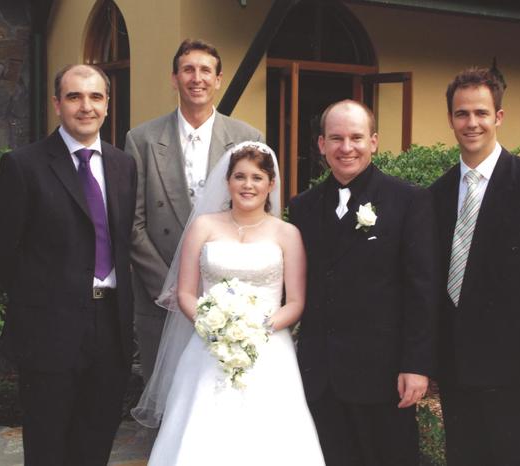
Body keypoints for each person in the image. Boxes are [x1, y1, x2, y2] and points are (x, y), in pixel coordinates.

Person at [132, 141, 325, 465]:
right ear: (227, 181)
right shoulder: (204, 226)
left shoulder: (287, 233)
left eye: (257, 178)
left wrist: (257, 329)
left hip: (268, 349)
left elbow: (295, 302)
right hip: (209, 346)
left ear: (271, 184)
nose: (247, 185)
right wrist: (212, 325)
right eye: (240, 176)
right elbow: (185, 293)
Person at [0, 64, 137, 466]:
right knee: (48, 448)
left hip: (111, 329)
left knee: (95, 445)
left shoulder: (123, 165)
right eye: (74, 97)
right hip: (49, 333)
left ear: (107, 104)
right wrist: (43, 298)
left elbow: (121, 240)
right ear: (57, 104)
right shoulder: (24, 164)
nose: (85, 106)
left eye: (95, 97)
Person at [430, 67, 520, 466]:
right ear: (451, 120)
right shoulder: (438, 193)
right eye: (462, 114)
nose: (471, 123)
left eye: (481, 112)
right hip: (457, 368)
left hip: (518, 369)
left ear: (499, 116)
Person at [289, 100, 438, 466]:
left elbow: (423, 289)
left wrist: (416, 365)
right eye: (336, 138)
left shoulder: (408, 200)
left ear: (373, 142)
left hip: (383, 375)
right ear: (321, 144)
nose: (346, 147)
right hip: (320, 374)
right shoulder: (303, 206)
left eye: (356, 137)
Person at [125, 39, 263, 381]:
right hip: (161, 296)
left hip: (227, 295)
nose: (196, 78)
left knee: (219, 390)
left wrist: (229, 288)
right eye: (188, 70)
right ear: (174, 78)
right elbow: (133, 224)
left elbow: (259, 217)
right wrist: (170, 288)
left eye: (205, 70)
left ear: (218, 80)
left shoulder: (247, 137)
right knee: (165, 395)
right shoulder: (140, 139)